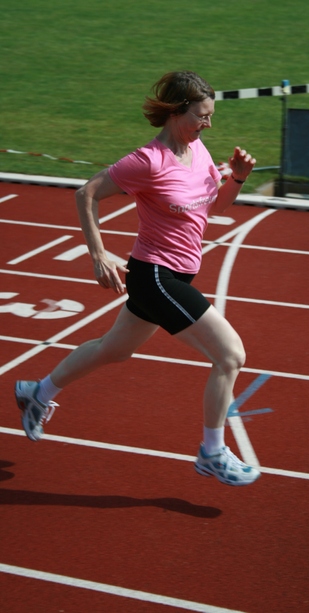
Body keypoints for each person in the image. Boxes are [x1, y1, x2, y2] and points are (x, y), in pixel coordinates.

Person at [15, 71, 260, 486]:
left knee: (112, 350)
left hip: (175, 275)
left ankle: (37, 393)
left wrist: (236, 178)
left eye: (211, 115)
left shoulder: (198, 149)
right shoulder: (148, 160)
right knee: (230, 356)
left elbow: (215, 208)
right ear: (177, 112)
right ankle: (212, 453)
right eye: (201, 115)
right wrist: (98, 254)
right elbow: (86, 193)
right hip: (156, 277)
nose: (208, 124)